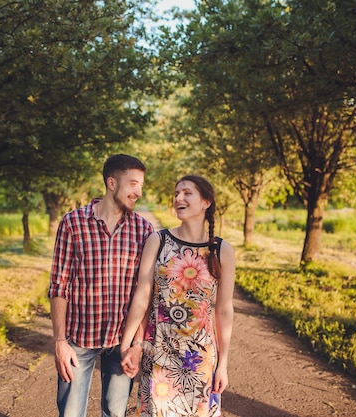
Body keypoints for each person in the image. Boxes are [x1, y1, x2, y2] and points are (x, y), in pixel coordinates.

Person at [48, 154, 155, 417]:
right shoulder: (73, 223)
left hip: (122, 340)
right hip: (78, 339)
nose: (138, 192)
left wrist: (137, 344)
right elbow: (59, 284)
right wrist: (60, 341)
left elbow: (144, 292)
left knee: (115, 412)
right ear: (111, 183)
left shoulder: (143, 229)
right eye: (133, 184)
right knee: (70, 413)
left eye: (141, 185)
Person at [120, 175, 235, 417]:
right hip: (159, 352)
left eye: (187, 193)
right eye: (176, 194)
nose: (178, 198)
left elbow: (224, 310)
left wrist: (223, 363)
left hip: (200, 359)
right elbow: (143, 296)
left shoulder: (222, 250)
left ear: (206, 202)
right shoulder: (158, 241)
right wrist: (129, 344)